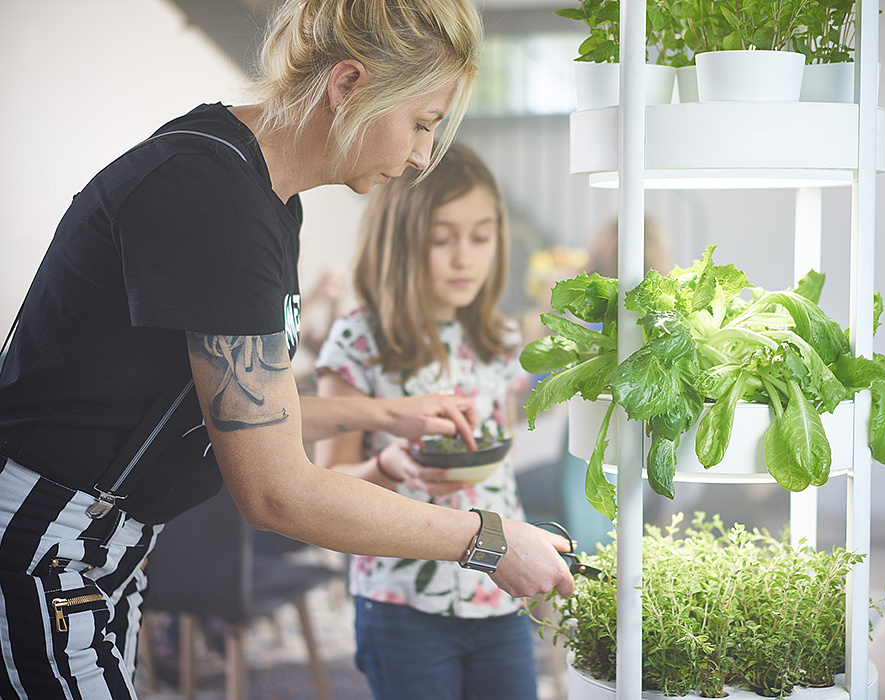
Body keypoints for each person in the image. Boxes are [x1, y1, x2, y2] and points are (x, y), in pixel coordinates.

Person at [0, 1, 573, 697]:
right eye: (421, 123)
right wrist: (487, 540)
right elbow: (276, 491)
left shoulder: (268, 201)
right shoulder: (211, 193)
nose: (423, 155)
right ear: (349, 85)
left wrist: (385, 415)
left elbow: (243, 401)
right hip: (42, 538)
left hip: (106, 545)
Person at [313, 142, 539, 700]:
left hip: (499, 592)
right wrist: (390, 466)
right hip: (400, 600)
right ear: (402, 241)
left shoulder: (501, 342)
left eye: (481, 237)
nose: (465, 257)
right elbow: (326, 488)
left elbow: (496, 465)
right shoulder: (360, 340)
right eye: (443, 239)